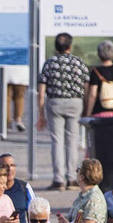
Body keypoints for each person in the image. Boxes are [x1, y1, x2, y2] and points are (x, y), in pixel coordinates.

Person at [36, 32, 90, 189]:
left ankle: (58, 179)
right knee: (72, 140)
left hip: (55, 102)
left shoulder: (49, 63)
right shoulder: (79, 63)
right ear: (70, 46)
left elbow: (41, 92)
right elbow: (86, 86)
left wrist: (41, 114)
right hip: (75, 102)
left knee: (57, 140)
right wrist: (86, 107)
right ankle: (72, 178)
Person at [65, 158, 108, 223]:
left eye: (78, 170)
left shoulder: (94, 197)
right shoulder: (83, 195)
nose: (76, 173)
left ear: (81, 177)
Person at [83, 39, 113, 118]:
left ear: (99, 54)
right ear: (112, 54)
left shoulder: (95, 71)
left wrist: (88, 114)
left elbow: (93, 95)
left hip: (101, 112)